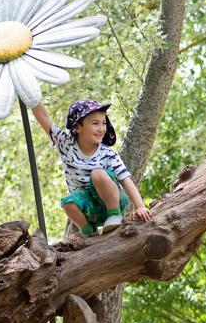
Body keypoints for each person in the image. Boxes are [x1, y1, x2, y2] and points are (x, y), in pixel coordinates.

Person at [31, 100, 152, 236]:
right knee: (68, 203)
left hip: (112, 201)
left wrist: (140, 206)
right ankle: (89, 231)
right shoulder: (66, 144)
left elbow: (125, 179)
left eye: (104, 123)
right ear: (77, 127)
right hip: (88, 208)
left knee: (97, 174)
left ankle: (114, 215)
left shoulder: (108, 153)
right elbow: (44, 117)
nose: (101, 129)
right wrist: (31, 96)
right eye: (95, 123)